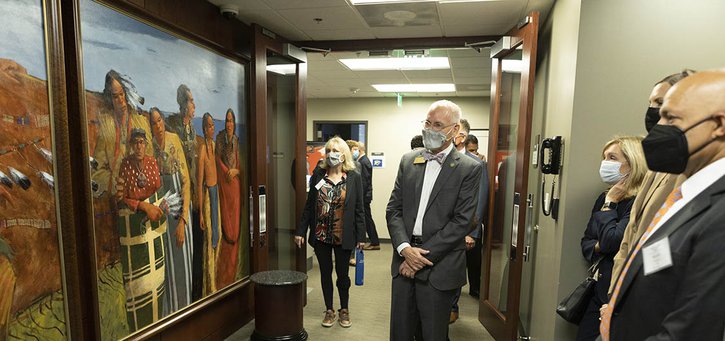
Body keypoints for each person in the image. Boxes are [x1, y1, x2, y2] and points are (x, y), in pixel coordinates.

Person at [600, 69, 725, 340]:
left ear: (719, 125)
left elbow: (691, 330)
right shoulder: (693, 191)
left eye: (671, 118)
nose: (658, 127)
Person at [387, 100, 482, 340]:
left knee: (433, 335)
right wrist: (405, 249)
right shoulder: (409, 160)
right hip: (403, 261)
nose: (430, 129)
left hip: (440, 267)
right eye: (428, 123)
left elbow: (462, 221)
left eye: (438, 125)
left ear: (455, 130)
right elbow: (393, 210)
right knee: (401, 333)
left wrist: (418, 258)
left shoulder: (470, 168)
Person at [608, 70, 694, 295]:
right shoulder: (657, 164)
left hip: (655, 293)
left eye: (660, 102)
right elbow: (630, 233)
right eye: (651, 103)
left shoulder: (691, 168)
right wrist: (616, 292)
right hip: (626, 289)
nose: (654, 111)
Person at [576, 136, 647, 341]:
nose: (605, 163)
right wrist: (601, 245)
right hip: (598, 289)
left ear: (632, 164)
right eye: (604, 157)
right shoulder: (604, 197)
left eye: (612, 157)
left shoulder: (638, 201)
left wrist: (611, 204)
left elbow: (611, 241)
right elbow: (586, 242)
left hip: (619, 292)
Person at [295, 137, 365, 329]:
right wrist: (301, 230)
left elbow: (359, 209)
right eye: (328, 151)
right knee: (325, 275)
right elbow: (309, 206)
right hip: (321, 235)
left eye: (335, 150)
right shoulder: (318, 174)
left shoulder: (353, 177)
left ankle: (344, 309)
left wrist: (361, 236)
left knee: (343, 276)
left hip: (344, 235)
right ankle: (329, 309)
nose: (331, 154)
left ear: (343, 154)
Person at [116, 129, 166, 332]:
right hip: (134, 235)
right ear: (131, 145)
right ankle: (139, 331)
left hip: (154, 231)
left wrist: (161, 206)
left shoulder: (153, 163)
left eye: (142, 142)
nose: (139, 146)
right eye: (135, 142)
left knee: (156, 281)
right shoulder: (125, 165)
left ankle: (156, 326)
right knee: (139, 286)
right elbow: (120, 198)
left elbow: (159, 191)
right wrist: (143, 206)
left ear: (146, 144)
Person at [149, 107, 193, 315]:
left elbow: (186, 183)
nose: (157, 125)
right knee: (167, 269)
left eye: (159, 121)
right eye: (153, 122)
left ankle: (185, 314)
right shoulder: (150, 146)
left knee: (182, 267)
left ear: (162, 121)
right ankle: (171, 317)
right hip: (163, 211)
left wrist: (183, 220)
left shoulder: (174, 139)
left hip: (180, 212)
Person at [166, 84, 205, 300]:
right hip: (178, 192)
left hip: (193, 193)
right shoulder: (174, 127)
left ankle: (195, 294)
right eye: (191, 101)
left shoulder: (192, 129)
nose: (194, 105)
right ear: (183, 103)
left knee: (195, 246)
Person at [449, 118, 490, 324]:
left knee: (457, 268)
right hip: (441, 231)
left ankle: (452, 307)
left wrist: (471, 233)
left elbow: (480, 199)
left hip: (464, 230)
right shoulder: (438, 160)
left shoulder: (477, 164)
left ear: (461, 136)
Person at [92, 70, 152, 199]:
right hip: (119, 200)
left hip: (143, 193)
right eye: (115, 96)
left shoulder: (141, 122)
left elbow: (151, 160)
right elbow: (96, 170)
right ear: (110, 98)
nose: (120, 100)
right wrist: (114, 184)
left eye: (122, 94)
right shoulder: (106, 127)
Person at [215, 109, 242, 289]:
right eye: (227, 121)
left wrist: (236, 171)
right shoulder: (220, 139)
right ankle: (222, 278)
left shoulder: (237, 141)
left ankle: (232, 274)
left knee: (235, 229)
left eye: (231, 121)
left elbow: (240, 165)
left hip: (236, 189)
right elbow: (218, 160)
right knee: (226, 229)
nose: (229, 124)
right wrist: (227, 172)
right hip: (224, 187)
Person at [197, 113, 220, 295]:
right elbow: (199, 182)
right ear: (204, 129)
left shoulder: (214, 146)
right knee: (209, 238)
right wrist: (201, 214)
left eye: (213, 126)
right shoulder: (203, 150)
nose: (211, 129)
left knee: (217, 236)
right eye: (208, 126)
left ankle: (215, 281)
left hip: (216, 194)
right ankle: (209, 287)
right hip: (206, 195)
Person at [350, 141, 379, 250]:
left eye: (355, 149)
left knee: (366, 219)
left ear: (359, 150)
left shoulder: (363, 161)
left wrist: (359, 197)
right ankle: (374, 241)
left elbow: (364, 182)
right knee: (366, 219)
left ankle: (375, 242)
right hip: (365, 195)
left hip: (364, 196)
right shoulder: (362, 160)